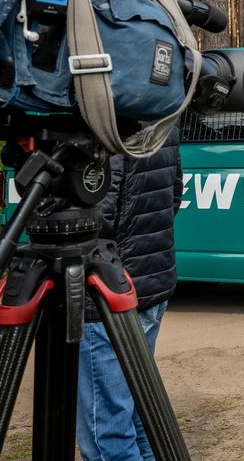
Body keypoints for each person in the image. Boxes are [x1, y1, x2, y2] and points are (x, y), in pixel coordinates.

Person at [78, 126, 183, 460]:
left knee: (107, 431)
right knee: (142, 418)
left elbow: (94, 215)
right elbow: (174, 193)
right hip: (150, 282)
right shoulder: (160, 107)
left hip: (107, 294)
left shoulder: (102, 120)